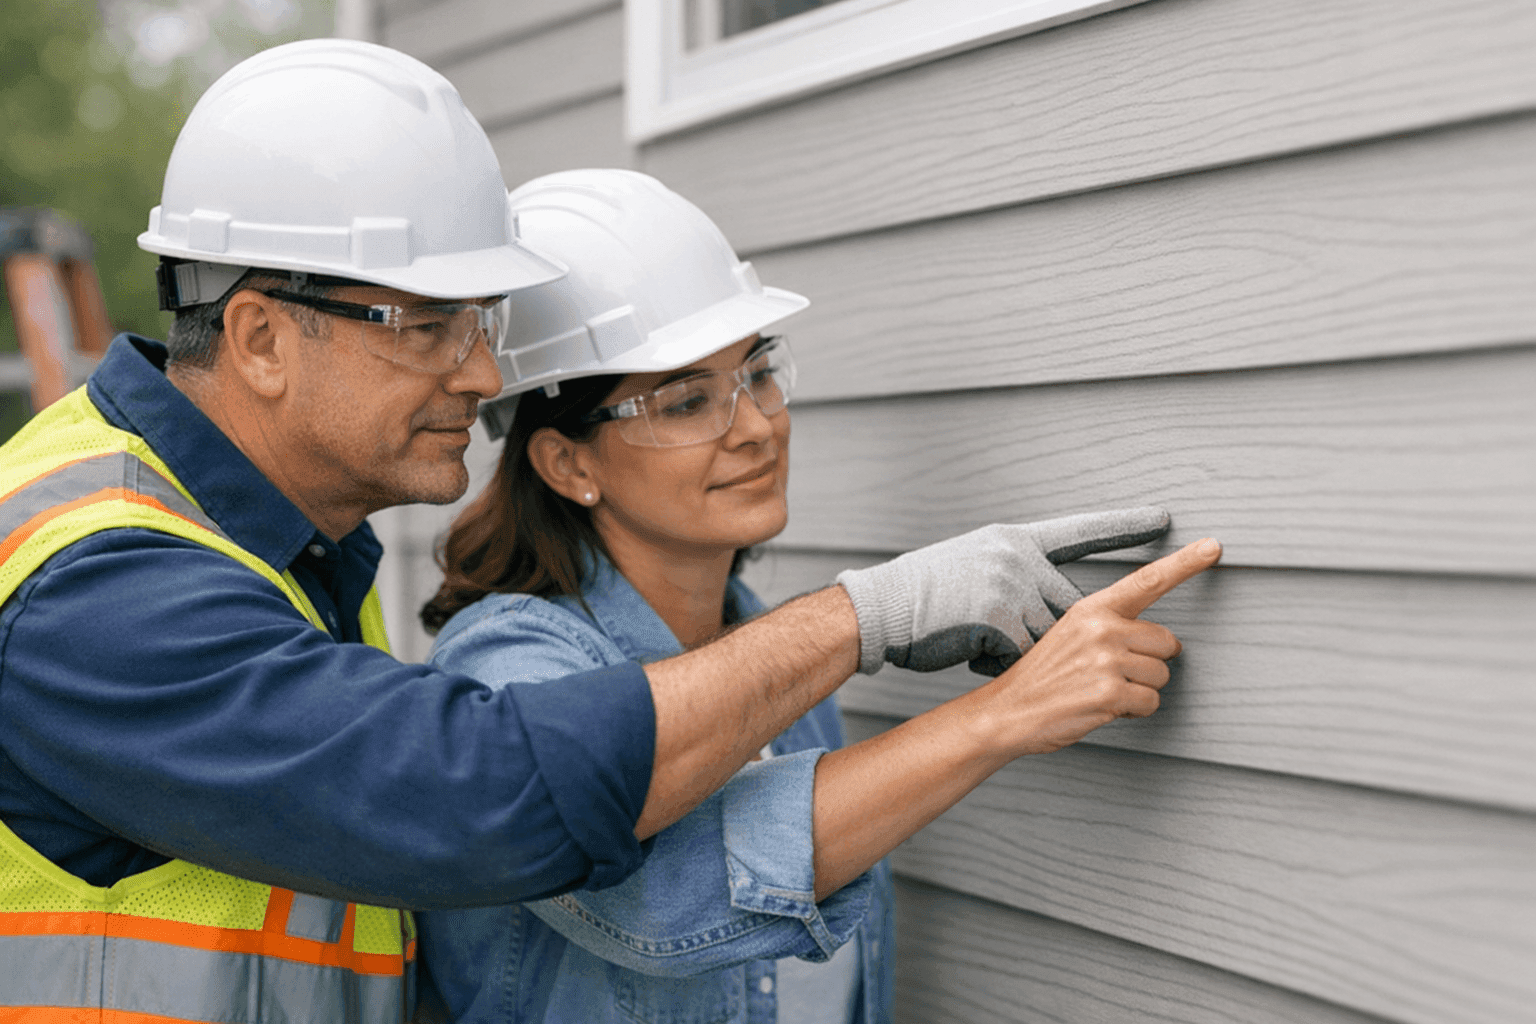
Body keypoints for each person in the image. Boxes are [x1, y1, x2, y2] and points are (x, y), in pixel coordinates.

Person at [0, 40, 1211, 1022]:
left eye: (481, 321)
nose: (482, 374)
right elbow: (477, 792)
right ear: (261, 338)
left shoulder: (287, 545)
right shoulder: (100, 587)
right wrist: (872, 625)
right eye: (428, 325)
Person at [410, 170, 1222, 1024]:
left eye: (758, 373)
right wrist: (1002, 716)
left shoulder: (779, 664)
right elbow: (655, 898)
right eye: (688, 400)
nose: (756, 424)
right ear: (567, 464)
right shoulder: (506, 667)